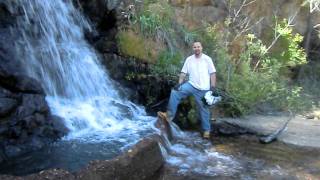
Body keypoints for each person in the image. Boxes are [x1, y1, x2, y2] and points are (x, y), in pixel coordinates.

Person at [158, 41, 216, 139]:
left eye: (198, 47)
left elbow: (213, 73)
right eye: (194, 47)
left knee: (204, 109)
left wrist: (213, 87)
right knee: (175, 92)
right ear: (192, 48)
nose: (196, 48)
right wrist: (179, 84)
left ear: (201, 48)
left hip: (204, 89)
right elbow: (183, 73)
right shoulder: (189, 59)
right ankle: (169, 115)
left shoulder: (207, 59)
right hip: (191, 85)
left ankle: (206, 130)